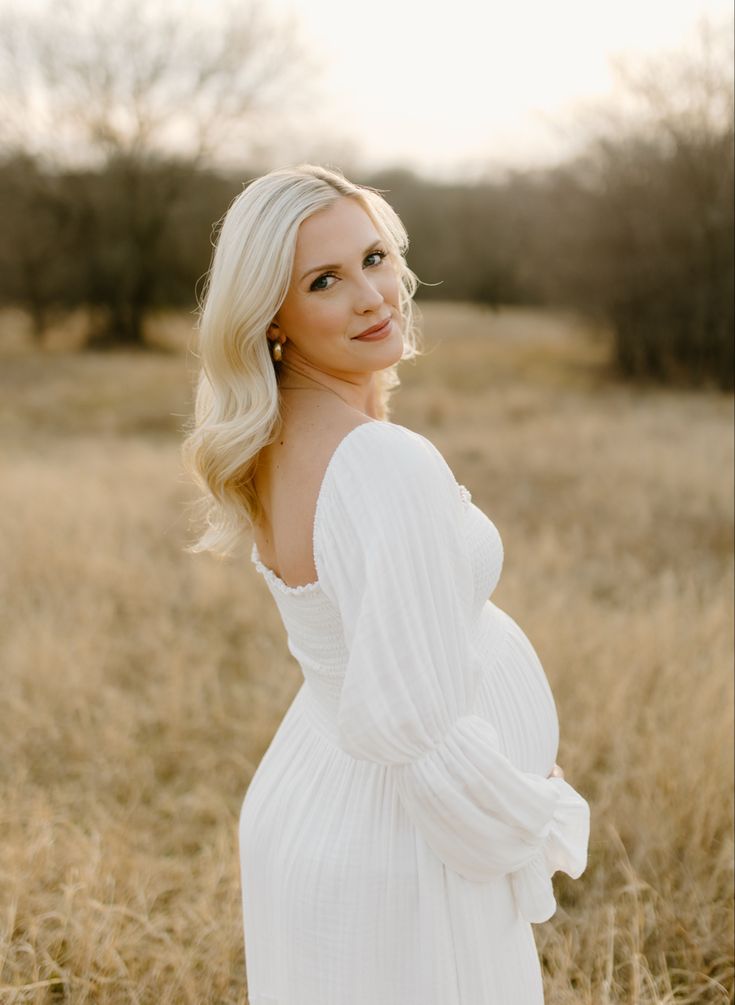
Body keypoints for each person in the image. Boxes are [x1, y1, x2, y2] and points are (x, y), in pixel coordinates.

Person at [181, 164, 590, 1004]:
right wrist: (528, 811)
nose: (372, 296)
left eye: (373, 258)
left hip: (323, 809)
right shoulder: (377, 461)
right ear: (272, 319)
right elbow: (416, 731)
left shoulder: (280, 438)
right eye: (324, 280)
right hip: (397, 848)